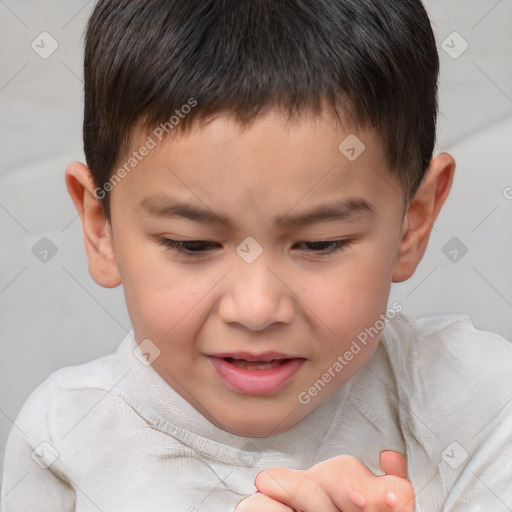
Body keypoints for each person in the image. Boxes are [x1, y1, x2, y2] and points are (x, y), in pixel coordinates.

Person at [2, 0, 511, 510]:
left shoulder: (477, 407)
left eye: (319, 244)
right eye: (191, 245)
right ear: (101, 228)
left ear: (412, 223)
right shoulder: (64, 442)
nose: (256, 308)